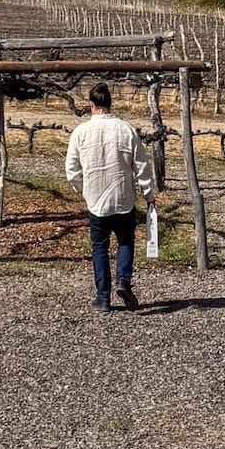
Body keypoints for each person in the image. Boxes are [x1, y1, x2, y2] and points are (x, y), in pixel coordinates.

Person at [65, 82, 156, 312]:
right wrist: (149, 194)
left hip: (96, 200)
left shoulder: (80, 132)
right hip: (123, 197)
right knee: (125, 241)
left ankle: (103, 297)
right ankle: (123, 280)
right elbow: (142, 165)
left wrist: (83, 190)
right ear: (110, 103)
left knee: (99, 246)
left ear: (91, 105)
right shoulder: (126, 129)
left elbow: (72, 169)